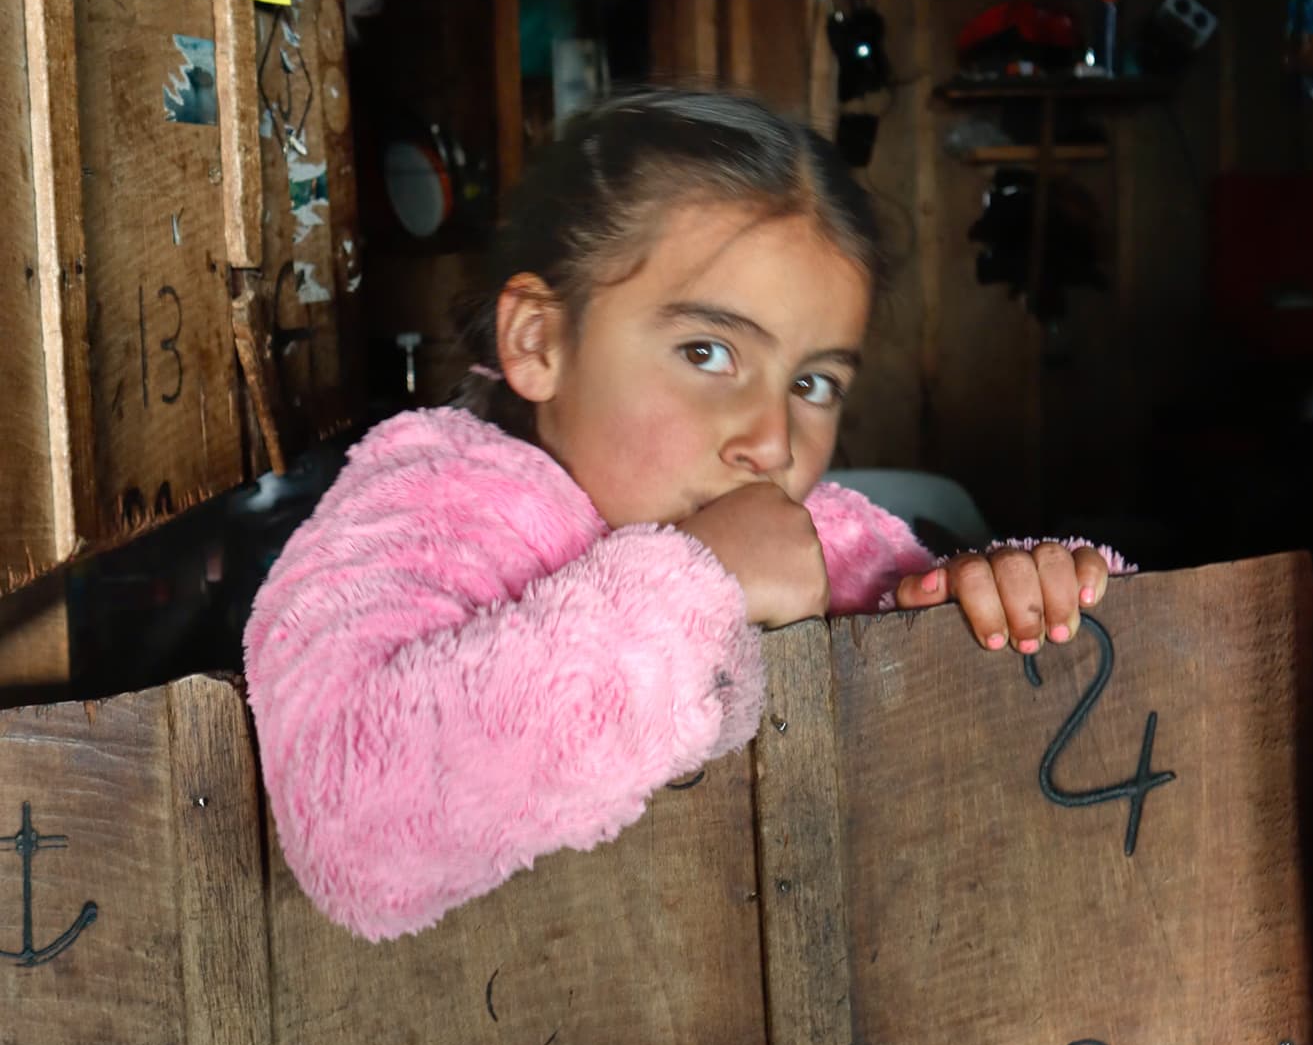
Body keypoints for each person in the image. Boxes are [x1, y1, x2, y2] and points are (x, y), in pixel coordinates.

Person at [245, 89, 1125, 940]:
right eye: (707, 351)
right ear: (539, 342)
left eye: (815, 383)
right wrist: (698, 582)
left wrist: (1007, 599)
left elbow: (987, 703)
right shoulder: (421, 511)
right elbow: (353, 832)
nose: (772, 441)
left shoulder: (828, 533)